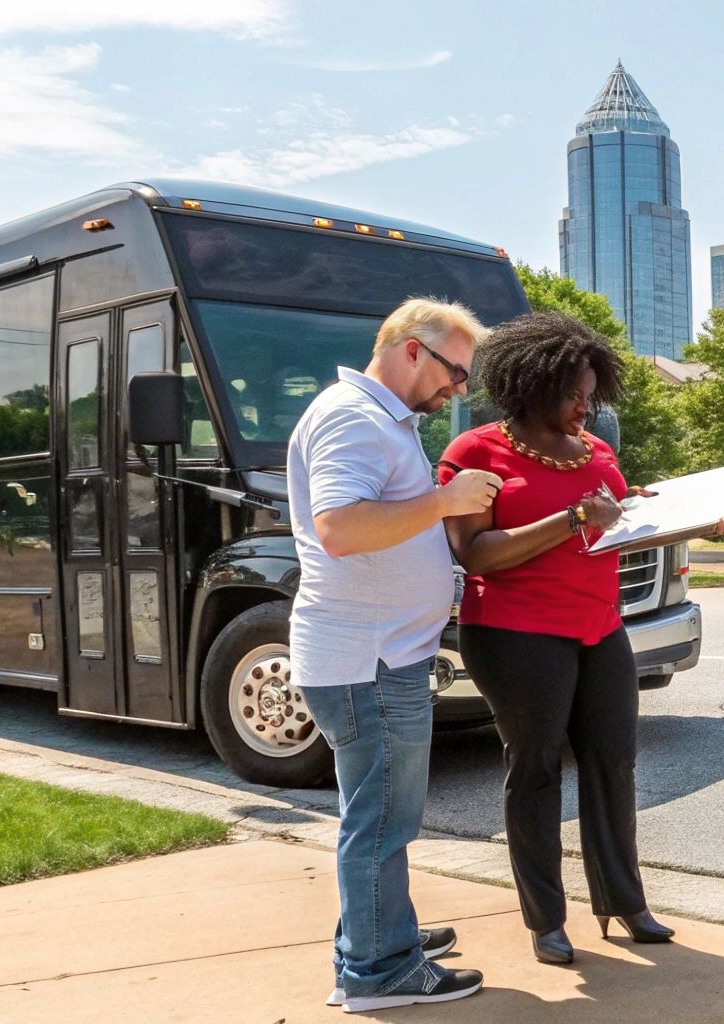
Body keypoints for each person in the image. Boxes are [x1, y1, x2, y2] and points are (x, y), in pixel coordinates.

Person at [437, 311, 724, 965]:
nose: (585, 407)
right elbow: (475, 554)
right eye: (573, 394)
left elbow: (618, 530)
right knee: (537, 770)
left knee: (614, 762)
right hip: (515, 634)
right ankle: (546, 919)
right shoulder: (476, 453)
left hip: (599, 628)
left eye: (591, 395)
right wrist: (572, 516)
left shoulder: (598, 452)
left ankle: (623, 902)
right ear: (531, 386)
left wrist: (696, 521)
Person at [287, 297, 501, 1011]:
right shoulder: (355, 418)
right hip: (368, 662)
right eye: (455, 371)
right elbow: (341, 528)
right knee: (382, 821)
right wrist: (444, 502)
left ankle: (380, 934)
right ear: (413, 349)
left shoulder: (378, 419)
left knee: (377, 815)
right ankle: (378, 971)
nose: (460, 388)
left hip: (373, 657)